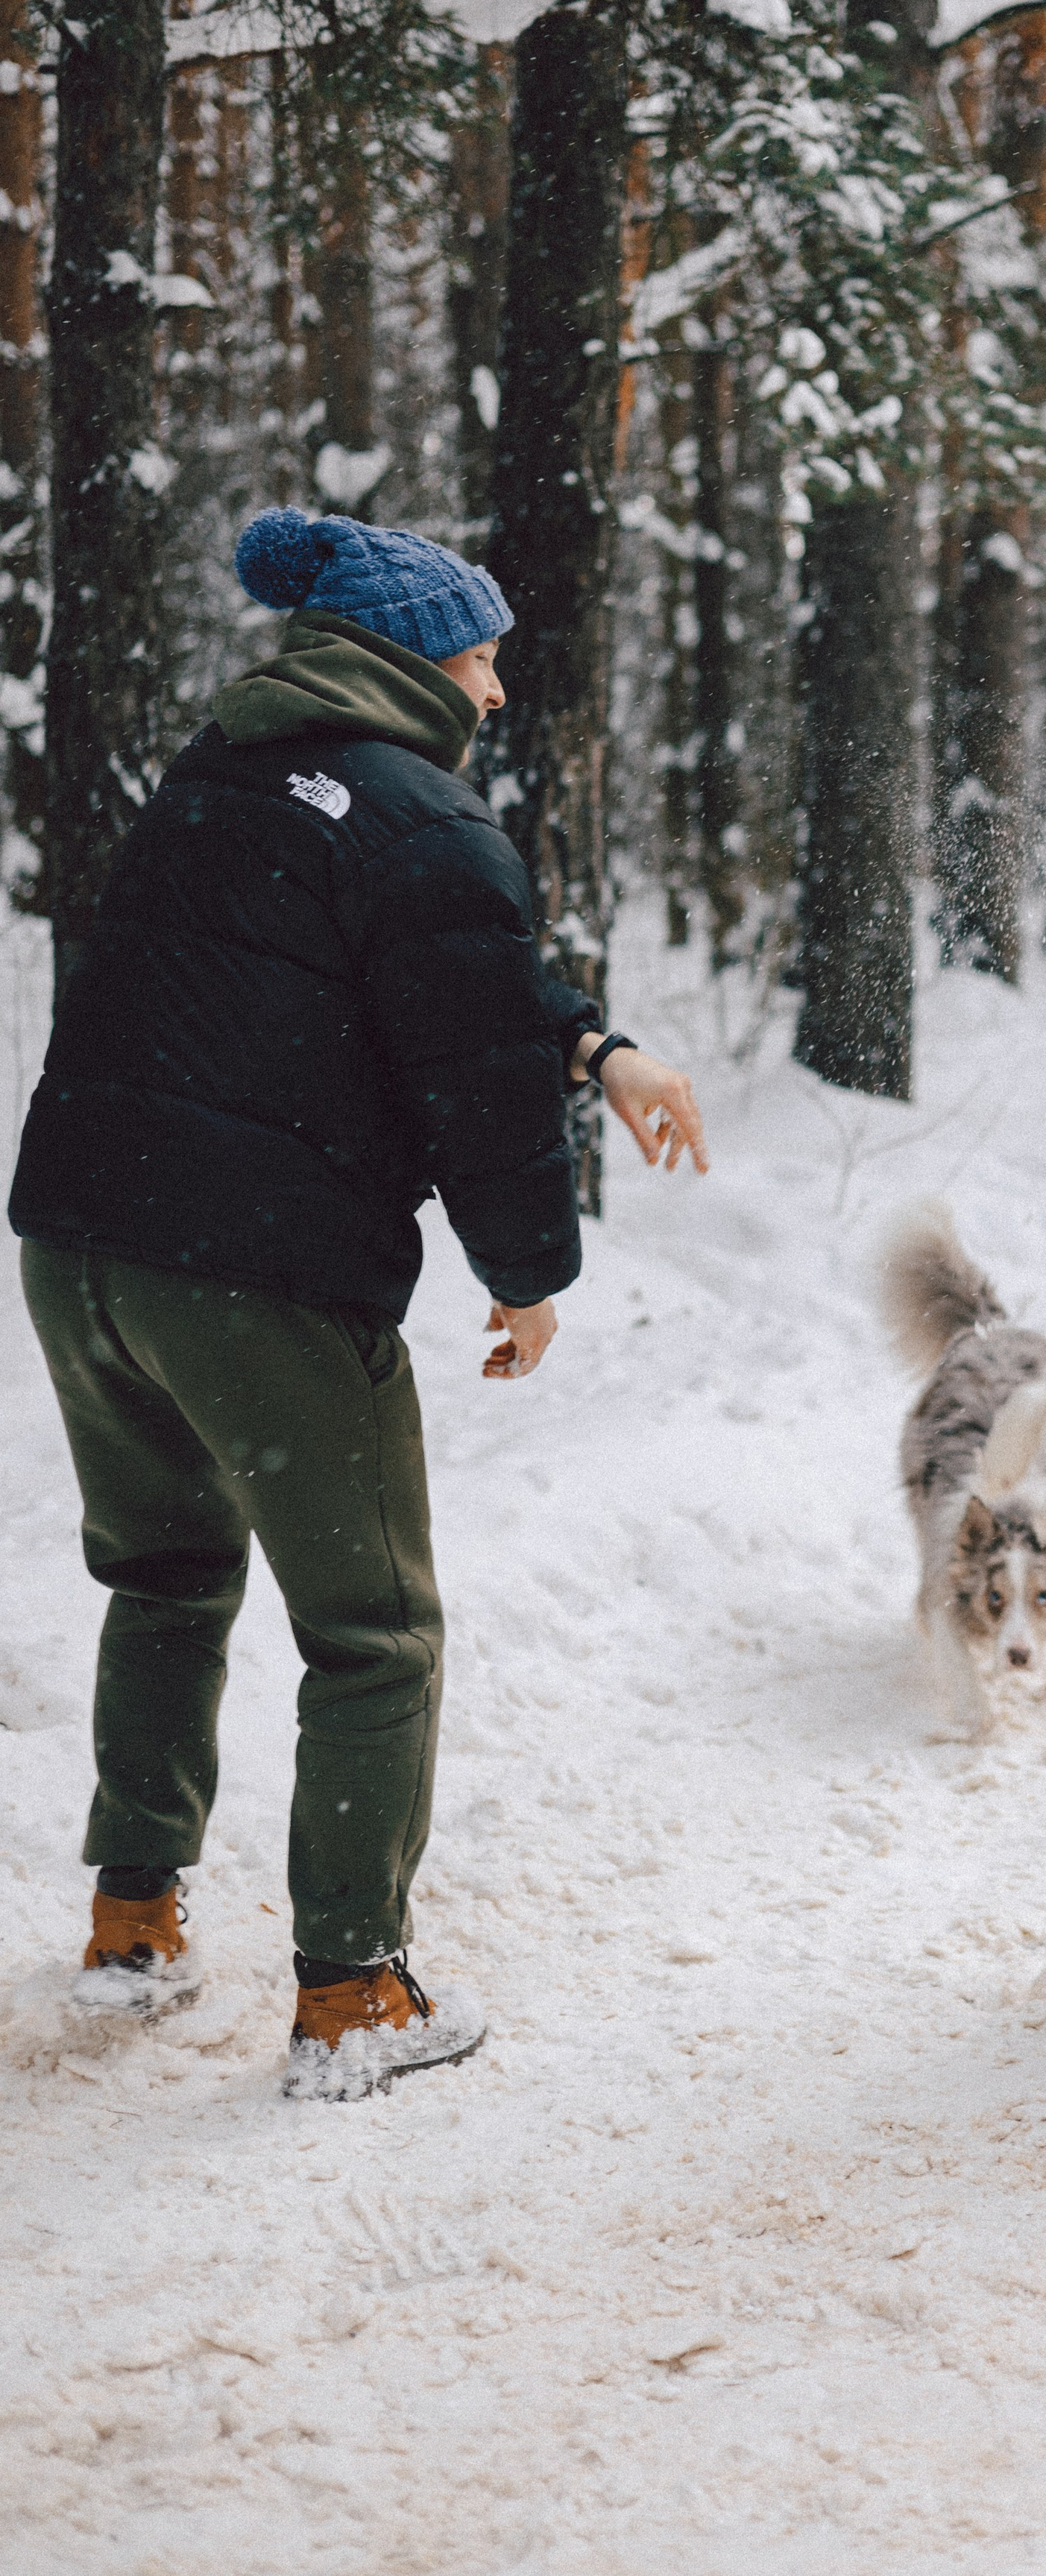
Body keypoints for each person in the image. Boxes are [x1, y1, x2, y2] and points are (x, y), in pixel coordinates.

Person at [10, 507, 708, 2097]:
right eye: (480, 656)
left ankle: (133, 1925)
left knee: (170, 1577)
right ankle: (352, 2001)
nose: (498, 691)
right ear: (406, 662)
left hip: (80, 1245)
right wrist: (529, 1277)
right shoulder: (421, 822)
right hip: (256, 1277)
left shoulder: (215, 782)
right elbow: (466, 1073)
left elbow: (435, 978)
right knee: (376, 1633)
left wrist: (598, 1043)